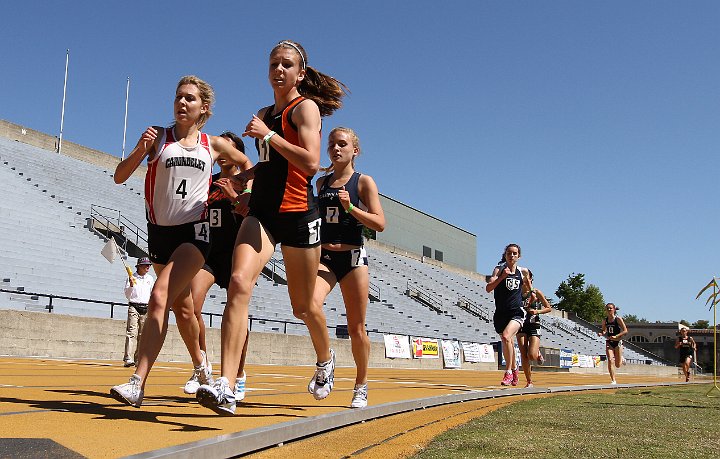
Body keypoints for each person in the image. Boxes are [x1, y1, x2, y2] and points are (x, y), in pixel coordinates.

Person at [196, 40, 348, 415]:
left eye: (286, 65)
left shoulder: (305, 108)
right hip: (262, 213)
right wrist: (242, 178)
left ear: (299, 73)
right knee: (238, 284)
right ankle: (227, 385)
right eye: (273, 64)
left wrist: (267, 135)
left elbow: (311, 163)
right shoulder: (266, 111)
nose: (278, 70)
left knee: (303, 306)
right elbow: (270, 165)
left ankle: (325, 360)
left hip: (298, 216)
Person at [109, 75, 251, 408]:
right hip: (160, 233)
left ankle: (137, 383)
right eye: (178, 97)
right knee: (184, 309)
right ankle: (202, 367)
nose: (182, 103)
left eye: (189, 98)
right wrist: (141, 152)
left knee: (160, 295)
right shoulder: (157, 137)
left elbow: (247, 165)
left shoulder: (212, 144)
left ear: (204, 108)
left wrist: (243, 190)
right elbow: (119, 176)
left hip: (194, 234)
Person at [311, 127, 385, 408]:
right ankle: (326, 361)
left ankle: (361, 385)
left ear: (355, 150)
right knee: (310, 305)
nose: (335, 148)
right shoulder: (321, 183)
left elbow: (379, 223)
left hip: (353, 258)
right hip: (325, 257)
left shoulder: (363, 182)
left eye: (341, 144)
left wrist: (351, 208)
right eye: (331, 144)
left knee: (356, 328)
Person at [182, 131, 251, 401]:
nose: (221, 154)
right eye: (218, 149)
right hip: (209, 253)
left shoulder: (248, 181)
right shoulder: (206, 181)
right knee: (191, 305)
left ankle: (239, 374)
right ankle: (202, 366)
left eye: (228, 148)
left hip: (238, 254)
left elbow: (251, 213)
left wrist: (233, 194)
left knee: (237, 315)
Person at [486, 243, 530, 387]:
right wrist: (502, 277)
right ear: (505, 254)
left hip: (517, 311)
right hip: (501, 313)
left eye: (514, 253)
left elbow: (528, 289)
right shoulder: (499, 270)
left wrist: (529, 293)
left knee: (506, 336)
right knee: (508, 341)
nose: (512, 256)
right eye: (509, 253)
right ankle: (515, 368)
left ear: (519, 256)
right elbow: (488, 288)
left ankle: (509, 372)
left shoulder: (523, 272)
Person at [516, 270, 551, 388]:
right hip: (521, 324)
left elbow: (548, 308)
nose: (524, 279)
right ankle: (529, 381)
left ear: (530, 279)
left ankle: (537, 353)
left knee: (531, 355)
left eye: (526, 277)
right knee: (523, 353)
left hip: (534, 324)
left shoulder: (536, 292)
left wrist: (537, 311)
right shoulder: (517, 293)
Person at [122, 257, 155, 367]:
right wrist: (131, 285)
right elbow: (127, 295)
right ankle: (128, 357)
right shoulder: (131, 277)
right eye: (145, 265)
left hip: (145, 307)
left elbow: (152, 294)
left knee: (142, 335)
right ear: (139, 266)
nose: (148, 267)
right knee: (132, 332)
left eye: (149, 265)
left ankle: (138, 359)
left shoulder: (150, 278)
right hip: (134, 306)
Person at [597, 302, 627, 384]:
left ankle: (622, 358)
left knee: (617, 365)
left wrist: (617, 336)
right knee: (610, 360)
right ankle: (613, 380)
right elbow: (604, 330)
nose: (609, 309)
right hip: (609, 342)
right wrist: (601, 333)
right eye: (607, 308)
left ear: (614, 309)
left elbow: (625, 330)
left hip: (618, 342)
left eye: (610, 308)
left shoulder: (618, 319)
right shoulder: (605, 320)